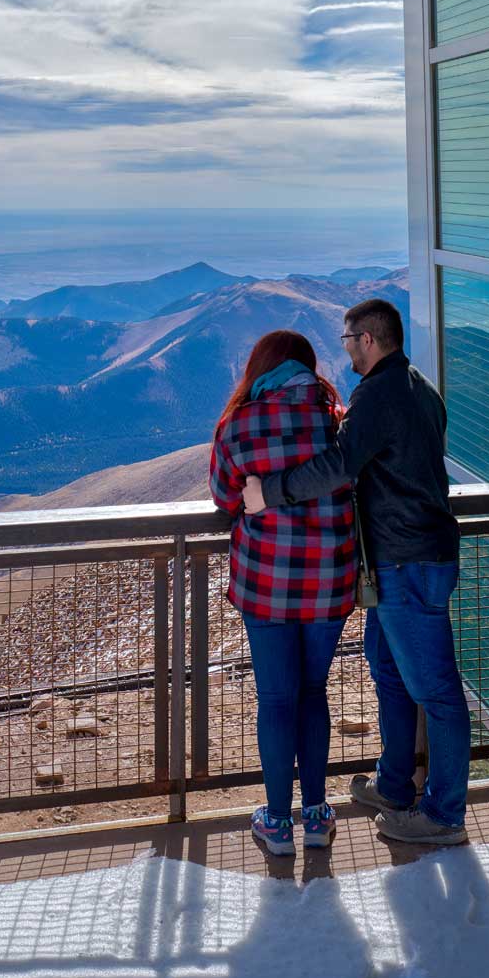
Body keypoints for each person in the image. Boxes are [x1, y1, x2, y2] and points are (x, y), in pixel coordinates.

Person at [242, 298, 470, 846]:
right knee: (389, 672)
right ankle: (394, 786)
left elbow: (340, 465)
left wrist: (268, 493)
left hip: (405, 561)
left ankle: (444, 815)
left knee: (436, 690)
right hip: (413, 556)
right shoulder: (419, 387)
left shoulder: (377, 395)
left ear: (368, 339)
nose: (342, 349)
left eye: (347, 339)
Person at [209, 329, 356, 856]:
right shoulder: (336, 421)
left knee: (275, 697)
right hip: (329, 579)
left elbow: (227, 497)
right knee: (313, 691)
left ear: (260, 368)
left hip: (266, 581)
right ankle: (316, 816)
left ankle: (276, 823)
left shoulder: (238, 425)